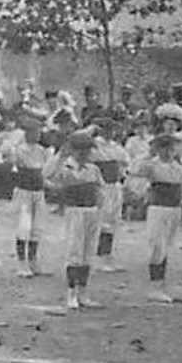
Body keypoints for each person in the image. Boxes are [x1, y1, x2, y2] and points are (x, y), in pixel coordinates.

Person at [43, 130, 105, 311]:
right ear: (73, 151)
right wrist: (60, 156)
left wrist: (99, 203)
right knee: (75, 251)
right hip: (75, 211)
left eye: (87, 150)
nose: (84, 154)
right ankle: (71, 293)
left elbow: (100, 188)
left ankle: (82, 292)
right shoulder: (65, 168)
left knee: (88, 252)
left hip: (91, 211)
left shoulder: (93, 169)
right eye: (80, 150)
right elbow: (47, 175)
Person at [128, 132, 182, 303]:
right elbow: (135, 170)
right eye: (164, 148)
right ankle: (155, 286)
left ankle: (161, 284)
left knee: (167, 246)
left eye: (171, 148)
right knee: (157, 246)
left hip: (174, 209)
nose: (168, 152)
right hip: (158, 208)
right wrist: (148, 154)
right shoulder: (152, 166)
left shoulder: (178, 167)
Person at [6, 115, 52, 278]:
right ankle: (21, 263)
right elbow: (8, 155)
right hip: (24, 191)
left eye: (38, 132)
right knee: (23, 227)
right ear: (27, 133)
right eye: (33, 132)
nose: (37, 135)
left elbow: (46, 170)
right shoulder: (19, 149)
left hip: (38, 191)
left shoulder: (42, 151)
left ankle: (33, 260)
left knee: (37, 227)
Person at [89, 118, 129, 273]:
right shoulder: (95, 146)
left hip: (115, 185)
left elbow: (125, 161)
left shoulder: (116, 147)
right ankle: (98, 256)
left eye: (112, 129)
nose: (110, 132)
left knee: (113, 220)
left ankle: (107, 255)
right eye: (107, 129)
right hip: (103, 185)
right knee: (103, 220)